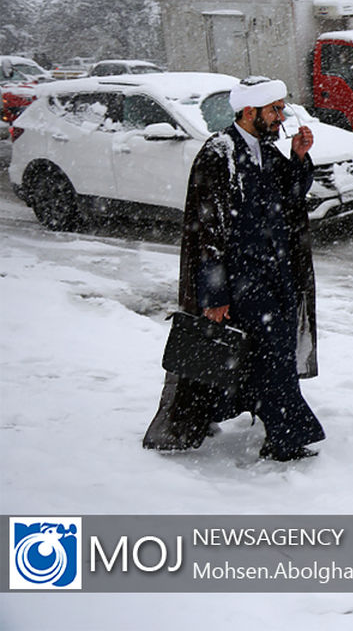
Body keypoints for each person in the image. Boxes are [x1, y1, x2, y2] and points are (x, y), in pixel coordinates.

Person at [143, 77, 325, 461]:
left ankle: (243, 421)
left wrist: (299, 157)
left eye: (281, 108)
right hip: (243, 283)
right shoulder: (219, 154)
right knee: (268, 360)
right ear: (249, 111)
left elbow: (291, 198)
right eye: (274, 109)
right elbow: (206, 233)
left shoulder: (267, 151)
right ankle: (285, 438)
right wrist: (215, 295)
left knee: (266, 358)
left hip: (275, 277)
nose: (281, 117)